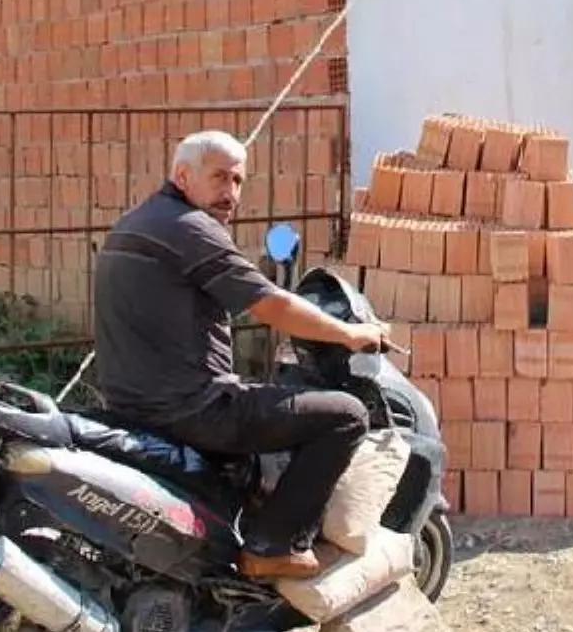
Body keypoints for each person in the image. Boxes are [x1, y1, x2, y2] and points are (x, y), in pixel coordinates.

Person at [93, 130, 387, 581]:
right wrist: (349, 333)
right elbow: (270, 304)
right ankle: (274, 545)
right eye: (219, 178)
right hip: (194, 409)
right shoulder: (190, 227)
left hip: (131, 406)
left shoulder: (136, 223)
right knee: (344, 415)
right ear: (182, 176)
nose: (230, 193)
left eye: (238, 180)